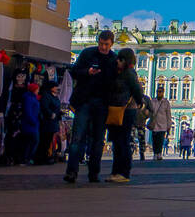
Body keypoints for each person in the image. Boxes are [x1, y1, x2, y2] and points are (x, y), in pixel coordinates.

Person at [64, 29, 118, 184]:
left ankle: (94, 173)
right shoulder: (87, 53)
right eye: (101, 44)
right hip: (85, 102)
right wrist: (87, 72)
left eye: (106, 45)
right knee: (77, 137)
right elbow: (74, 71)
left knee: (98, 140)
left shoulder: (114, 59)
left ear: (111, 44)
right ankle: (72, 172)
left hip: (103, 104)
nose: (103, 47)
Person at [105, 48, 145, 183]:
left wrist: (140, 103)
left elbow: (137, 90)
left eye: (120, 59)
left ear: (126, 61)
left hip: (126, 111)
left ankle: (124, 173)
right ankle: (116, 172)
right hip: (118, 109)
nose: (118, 61)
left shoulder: (129, 73)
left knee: (123, 142)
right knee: (117, 142)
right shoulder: (120, 73)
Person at [6, 71, 40, 165]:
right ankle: (25, 158)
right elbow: (28, 111)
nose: (38, 90)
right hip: (30, 123)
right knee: (31, 141)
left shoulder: (33, 98)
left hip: (32, 123)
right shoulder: (29, 98)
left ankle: (26, 158)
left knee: (30, 142)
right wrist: (33, 121)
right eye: (37, 89)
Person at [37, 78, 63, 164]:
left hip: (53, 122)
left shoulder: (55, 96)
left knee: (48, 140)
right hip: (47, 121)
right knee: (44, 140)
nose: (57, 88)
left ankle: (45, 156)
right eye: (55, 87)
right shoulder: (46, 96)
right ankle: (40, 158)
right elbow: (44, 107)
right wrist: (51, 113)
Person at [148, 84, 172, 161]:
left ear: (163, 92)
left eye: (160, 92)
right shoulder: (153, 101)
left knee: (161, 139)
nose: (159, 93)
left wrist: (169, 125)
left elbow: (168, 114)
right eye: (158, 91)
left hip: (163, 124)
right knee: (155, 140)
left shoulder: (166, 102)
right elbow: (151, 111)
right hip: (155, 124)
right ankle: (155, 153)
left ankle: (159, 153)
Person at [135, 93, 152, 161]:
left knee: (141, 138)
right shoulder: (131, 96)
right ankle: (130, 152)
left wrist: (147, 115)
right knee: (130, 137)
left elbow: (151, 110)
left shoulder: (146, 98)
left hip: (141, 121)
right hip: (131, 121)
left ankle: (142, 153)